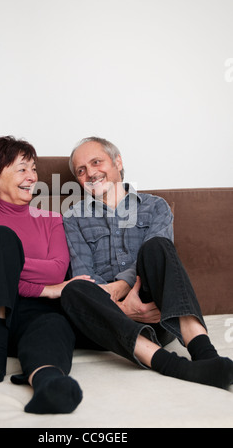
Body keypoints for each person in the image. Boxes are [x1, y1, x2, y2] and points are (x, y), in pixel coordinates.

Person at [61, 136, 233, 391]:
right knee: (74, 289)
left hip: (156, 314)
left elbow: (159, 259)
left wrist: (122, 287)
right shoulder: (73, 218)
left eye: (97, 162)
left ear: (118, 162)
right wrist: (121, 308)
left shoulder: (155, 206)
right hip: (107, 321)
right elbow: (85, 275)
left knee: (157, 247)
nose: (90, 173)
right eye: (81, 170)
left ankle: (206, 355)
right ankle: (174, 366)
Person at [0, 135, 91, 414]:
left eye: (34, 168)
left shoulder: (51, 219)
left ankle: (49, 384)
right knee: (0, 238)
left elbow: (57, 269)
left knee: (54, 324)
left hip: (30, 317)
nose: (32, 176)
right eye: (22, 168)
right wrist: (45, 289)